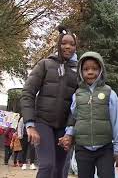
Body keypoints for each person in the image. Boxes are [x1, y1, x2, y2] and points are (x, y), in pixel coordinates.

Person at [20, 25, 78, 178]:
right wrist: (30, 125)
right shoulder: (45, 64)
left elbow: (79, 104)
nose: (68, 46)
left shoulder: (79, 71)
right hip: (42, 123)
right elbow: (27, 93)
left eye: (72, 44)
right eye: (64, 43)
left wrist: (70, 131)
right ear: (58, 44)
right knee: (47, 165)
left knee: (60, 170)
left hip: (64, 128)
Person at [58, 51, 118, 178]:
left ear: (101, 70)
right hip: (82, 148)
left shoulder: (109, 93)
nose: (90, 72)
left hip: (104, 147)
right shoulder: (77, 94)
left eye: (94, 69)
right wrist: (68, 135)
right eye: (86, 69)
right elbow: (73, 118)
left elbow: (116, 122)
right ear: (80, 72)